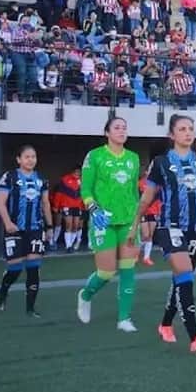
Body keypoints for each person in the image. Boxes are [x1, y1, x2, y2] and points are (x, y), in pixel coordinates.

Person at [145, 114, 196, 353]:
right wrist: (134, 224)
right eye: (182, 129)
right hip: (169, 227)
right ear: (172, 135)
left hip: (195, 229)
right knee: (186, 275)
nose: (188, 133)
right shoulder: (160, 162)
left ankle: (165, 324)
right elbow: (147, 197)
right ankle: (195, 338)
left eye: (191, 128)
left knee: (181, 279)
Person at [76, 117, 142, 331]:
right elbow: (85, 189)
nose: (122, 131)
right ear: (107, 132)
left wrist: (137, 219)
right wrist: (93, 209)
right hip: (102, 220)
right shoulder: (95, 156)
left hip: (128, 221)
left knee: (128, 270)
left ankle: (124, 318)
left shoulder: (133, 157)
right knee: (106, 272)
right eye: (117, 128)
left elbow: (134, 191)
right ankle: (86, 295)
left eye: (125, 127)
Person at [0, 146, 51, 316]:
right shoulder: (9, 177)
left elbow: (45, 203)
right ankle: (3, 292)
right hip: (14, 229)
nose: (30, 160)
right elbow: (0, 203)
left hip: (35, 229)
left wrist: (49, 227)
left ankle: (30, 308)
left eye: (33, 156)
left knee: (33, 267)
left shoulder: (41, 178)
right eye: (27, 157)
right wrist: (7, 223)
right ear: (19, 159)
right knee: (15, 268)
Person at [53, 165, 85, 253]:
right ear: (73, 171)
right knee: (68, 225)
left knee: (76, 226)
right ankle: (68, 246)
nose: (78, 173)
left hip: (78, 207)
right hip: (66, 205)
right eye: (76, 171)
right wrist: (56, 206)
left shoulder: (83, 181)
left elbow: (85, 194)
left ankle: (71, 244)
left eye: (79, 171)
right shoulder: (65, 179)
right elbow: (59, 193)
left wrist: (84, 205)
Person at [138, 174, 161, 266]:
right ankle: (136, 254)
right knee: (145, 235)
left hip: (153, 211)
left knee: (150, 235)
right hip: (143, 211)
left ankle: (146, 257)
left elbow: (159, 196)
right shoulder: (140, 183)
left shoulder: (157, 183)